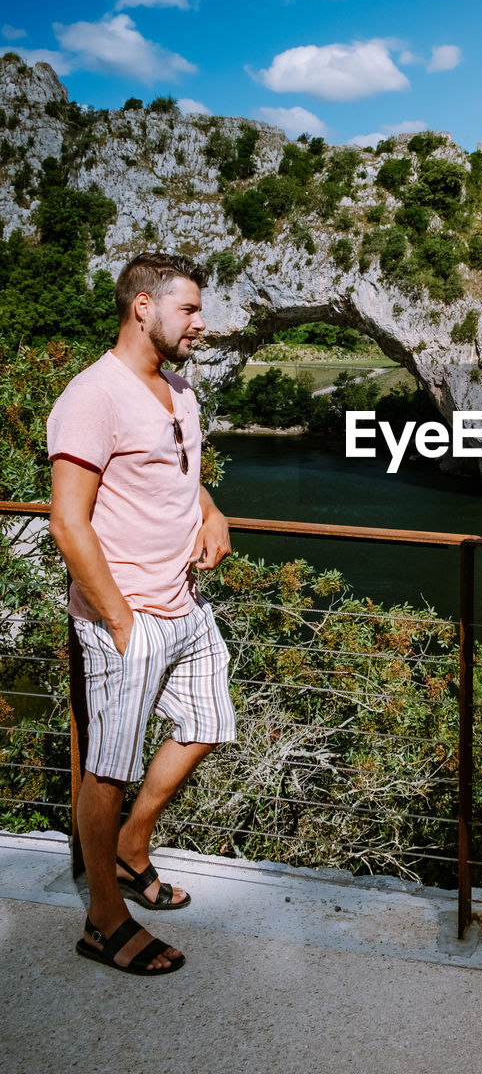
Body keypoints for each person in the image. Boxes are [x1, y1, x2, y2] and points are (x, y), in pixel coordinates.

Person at [47, 252, 237, 976]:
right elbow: (69, 522)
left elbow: (182, 475)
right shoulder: (93, 396)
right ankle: (103, 919)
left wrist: (212, 512)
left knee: (209, 723)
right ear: (142, 309)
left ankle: (132, 846)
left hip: (182, 603)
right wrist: (122, 622)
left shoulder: (178, 390)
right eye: (188, 309)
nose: (201, 323)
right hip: (124, 614)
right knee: (108, 768)